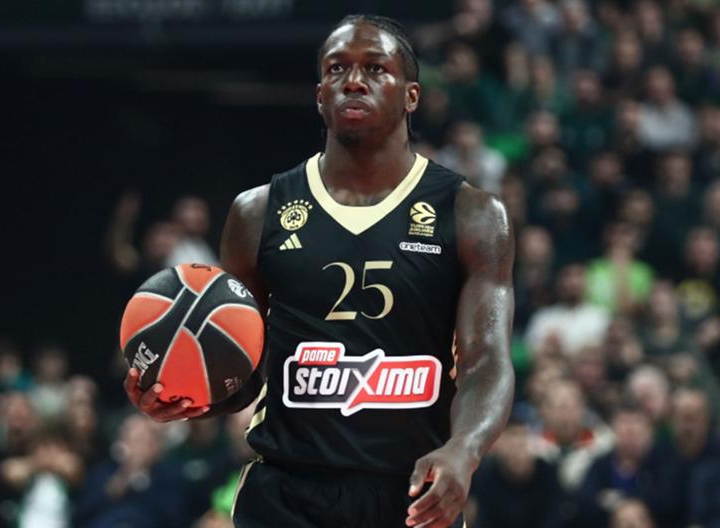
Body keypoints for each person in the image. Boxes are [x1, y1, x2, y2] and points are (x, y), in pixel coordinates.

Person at [124, 14, 515, 528]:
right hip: (286, 493)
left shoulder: (473, 215)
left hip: (411, 493)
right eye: (336, 69)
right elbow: (243, 372)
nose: (353, 80)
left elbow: (487, 363)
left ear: (412, 96)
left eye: (375, 68)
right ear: (319, 96)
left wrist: (465, 448)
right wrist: (186, 394)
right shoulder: (256, 213)